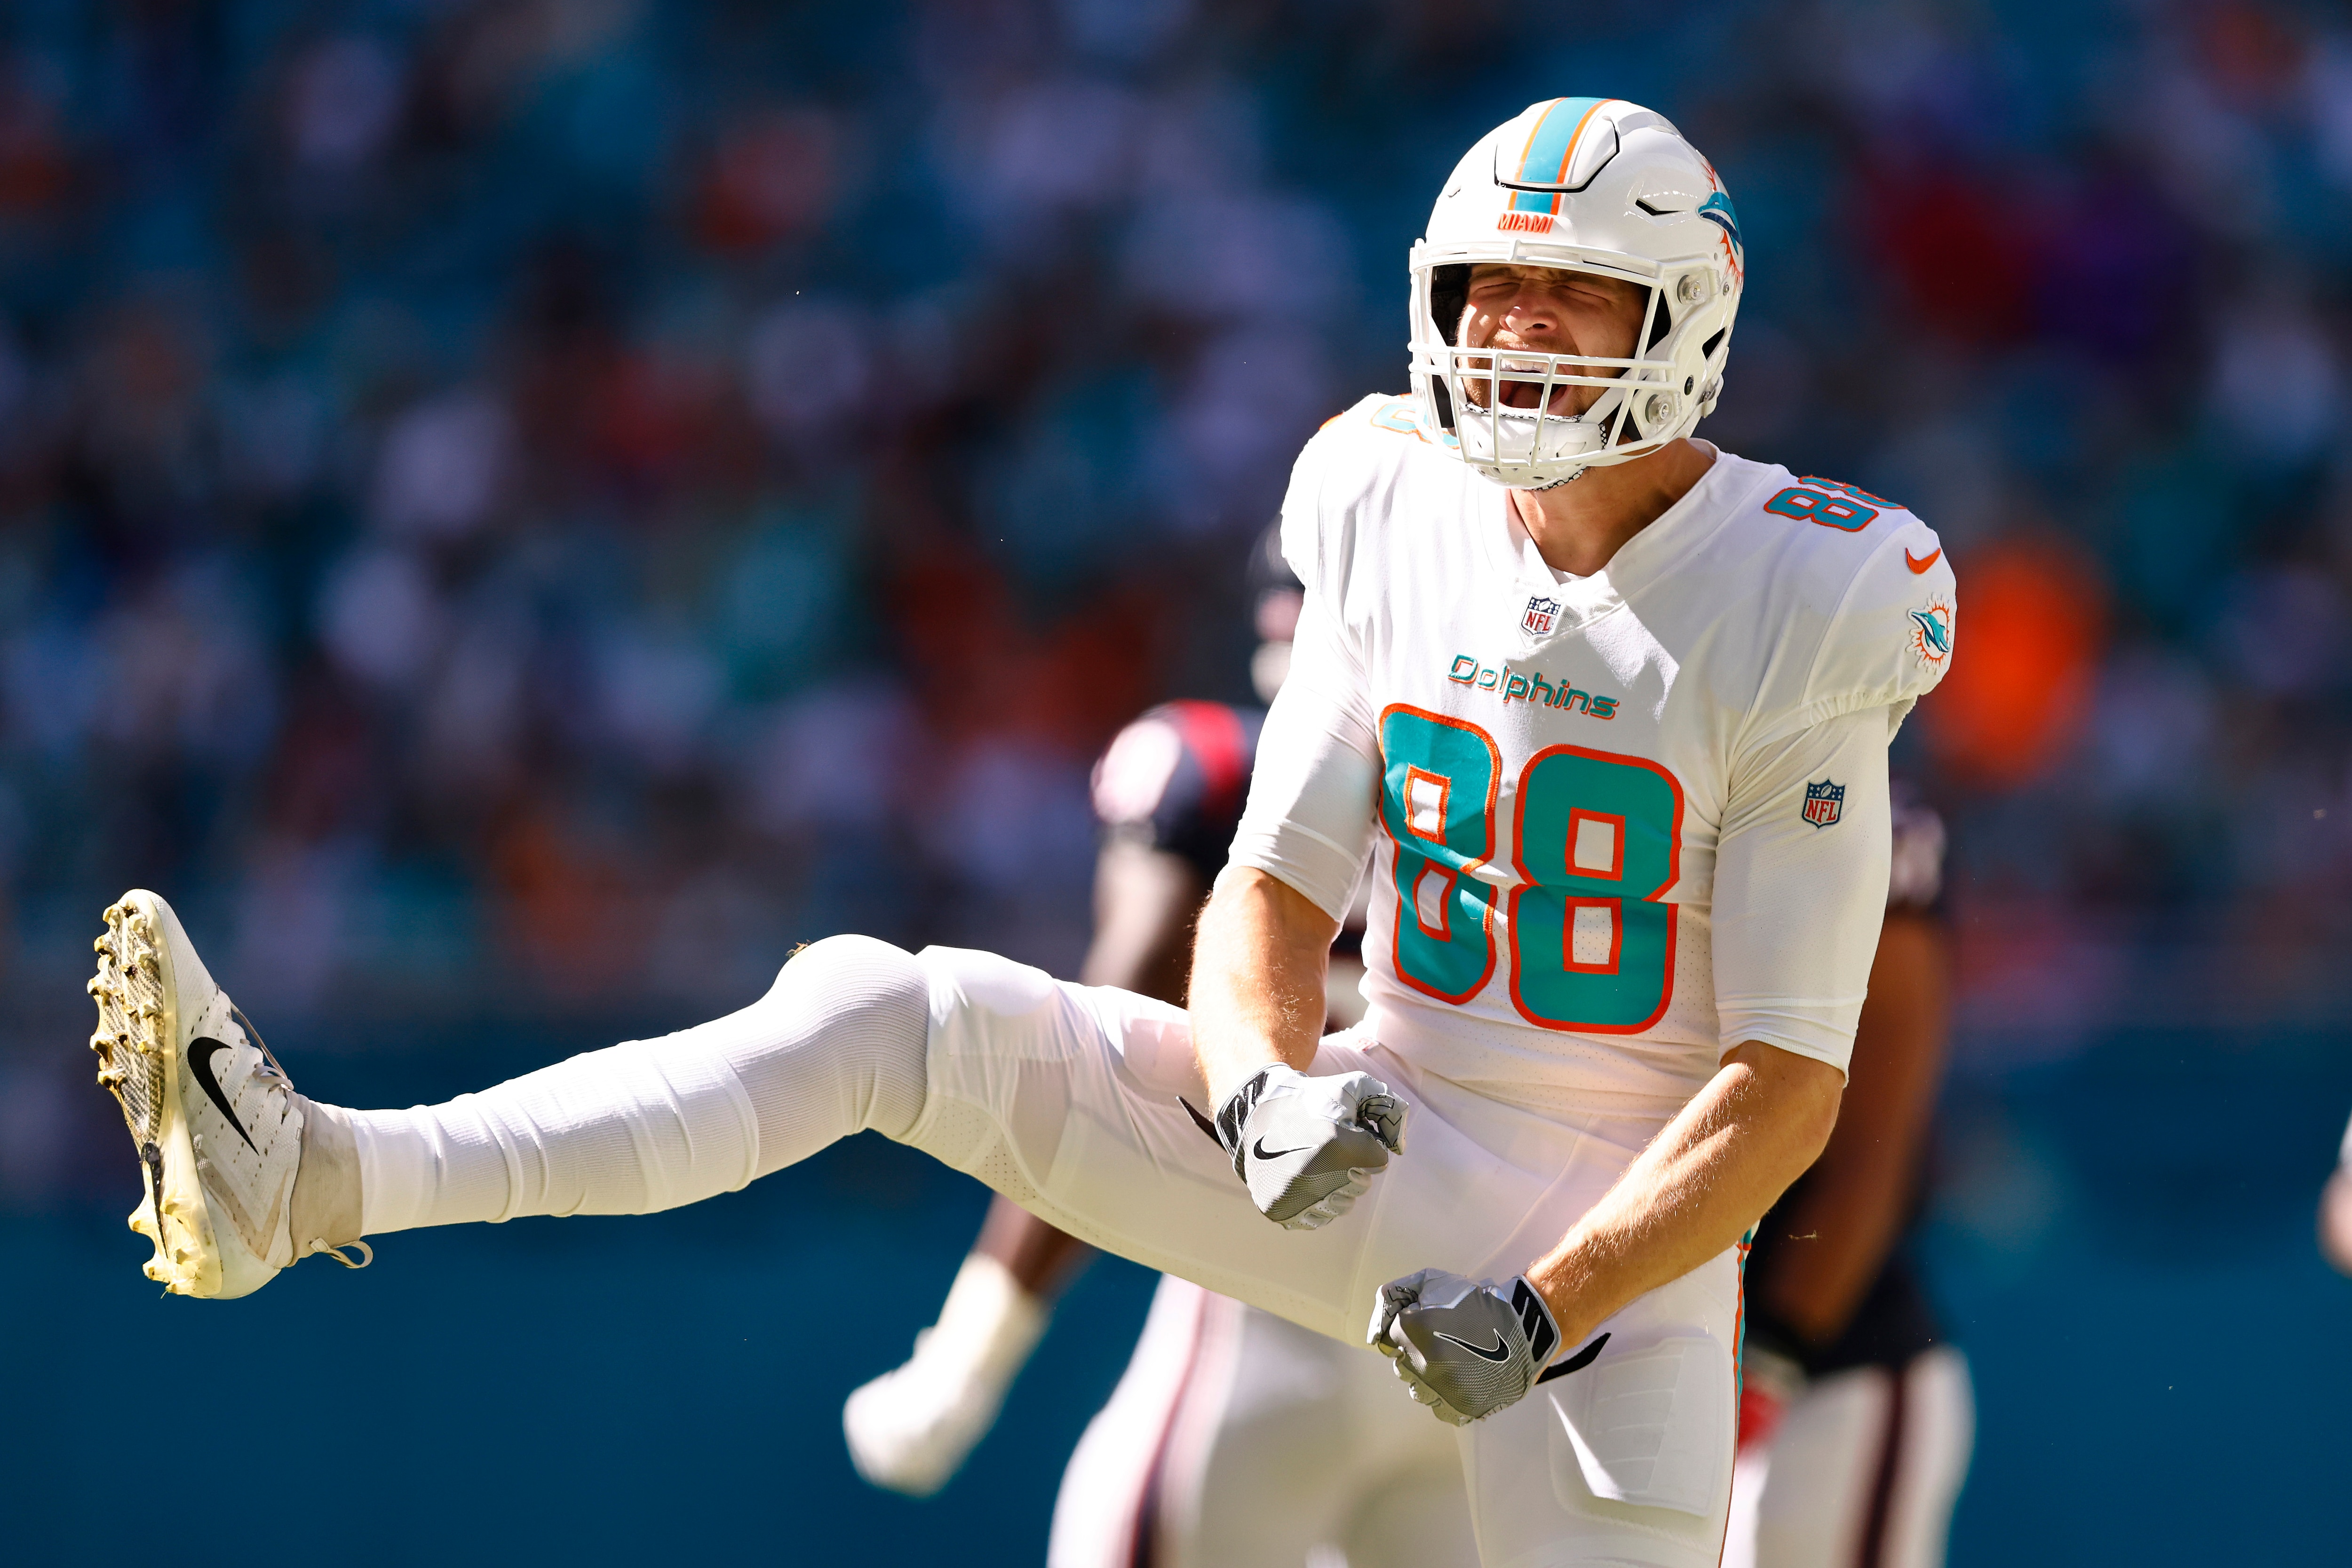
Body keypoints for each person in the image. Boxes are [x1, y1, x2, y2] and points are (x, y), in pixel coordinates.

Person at [85, 97, 1958, 1567]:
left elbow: (1786, 1084)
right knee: (887, 1009)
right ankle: (319, 1173)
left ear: (1683, 324)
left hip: (1614, 1266)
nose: (1514, 331)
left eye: (1569, 296)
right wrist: (1258, 1089)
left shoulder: (1808, 590)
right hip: (1384, 1128)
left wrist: (1541, 1305)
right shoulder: (1387, 496)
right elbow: (1273, 889)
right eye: (1484, 287)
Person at [844, 535, 1469, 1568]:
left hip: (1275, 1318)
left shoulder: (1217, 770)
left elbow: (1096, 1063)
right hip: (1479, 1333)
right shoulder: (1527, 807)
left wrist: (969, 1355)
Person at [1724, 789, 1972, 1568]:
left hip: (1816, 1373)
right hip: (1622, 1346)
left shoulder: (1858, 815)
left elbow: (1872, 1151)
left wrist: (1768, 1363)